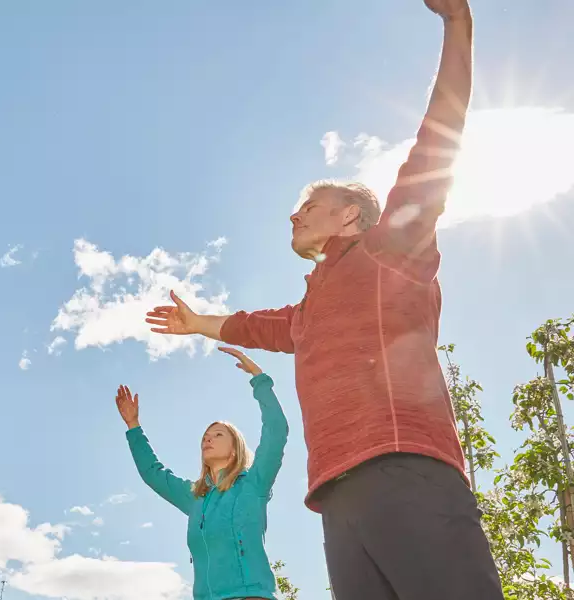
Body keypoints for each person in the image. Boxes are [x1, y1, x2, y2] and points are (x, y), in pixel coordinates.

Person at [144, 2, 500, 599]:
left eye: (310, 206)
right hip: (336, 499)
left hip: (404, 467)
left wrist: (457, 26)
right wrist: (197, 322)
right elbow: (259, 326)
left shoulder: (393, 251)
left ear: (352, 216)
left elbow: (438, 139)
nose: (294, 213)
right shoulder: (309, 309)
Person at [118, 347, 287, 600]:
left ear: (235, 449)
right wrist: (133, 426)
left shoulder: (254, 483)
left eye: (218, 435)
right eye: (205, 437)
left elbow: (276, 430)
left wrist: (259, 378)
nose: (208, 439)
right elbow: (153, 473)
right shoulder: (194, 496)